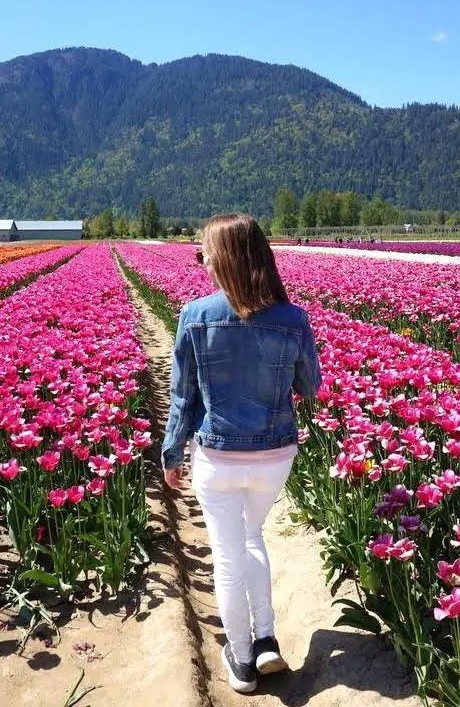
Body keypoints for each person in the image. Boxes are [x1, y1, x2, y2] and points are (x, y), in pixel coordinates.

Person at [161, 212, 321, 694]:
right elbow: (310, 386)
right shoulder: (293, 318)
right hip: (274, 455)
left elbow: (184, 398)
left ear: (224, 258)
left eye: (204, 252)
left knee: (227, 556)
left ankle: (243, 660)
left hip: (219, 457)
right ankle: (268, 639)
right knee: (252, 536)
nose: (202, 260)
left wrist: (172, 454)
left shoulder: (195, 316)